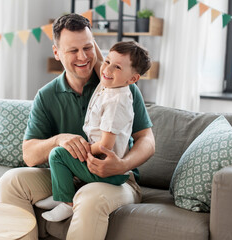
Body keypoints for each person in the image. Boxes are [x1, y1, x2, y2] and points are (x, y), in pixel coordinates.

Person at [0, 13, 155, 240]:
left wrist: (121, 165)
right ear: (57, 53)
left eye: (88, 47)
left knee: (90, 197)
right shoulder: (47, 95)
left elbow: (148, 141)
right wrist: (59, 139)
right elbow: (29, 155)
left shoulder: (119, 86)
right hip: (70, 176)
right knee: (11, 182)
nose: (83, 57)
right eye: (73, 50)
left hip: (119, 180)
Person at [37, 41, 152, 222]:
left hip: (108, 170)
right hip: (102, 164)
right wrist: (87, 31)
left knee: (58, 154)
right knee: (62, 153)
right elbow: (100, 58)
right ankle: (62, 195)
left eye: (117, 67)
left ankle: (66, 203)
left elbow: (106, 145)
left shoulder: (117, 101)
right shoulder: (109, 82)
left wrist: (85, 149)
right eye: (107, 62)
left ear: (133, 79)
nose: (107, 70)